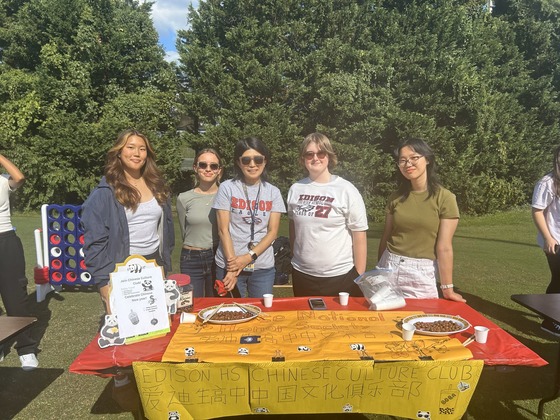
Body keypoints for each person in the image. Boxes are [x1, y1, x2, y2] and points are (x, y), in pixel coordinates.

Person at [81, 129, 174, 410]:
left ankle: (152, 384)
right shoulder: (105, 192)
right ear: (119, 152)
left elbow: (164, 229)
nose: (136, 153)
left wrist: (164, 265)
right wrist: (104, 284)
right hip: (121, 268)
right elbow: (95, 242)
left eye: (142, 149)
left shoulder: (156, 184)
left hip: (153, 265)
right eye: (130, 147)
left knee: (155, 327)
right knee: (126, 330)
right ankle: (124, 385)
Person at [377, 138, 465, 302]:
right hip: (388, 266)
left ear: (428, 159)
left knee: (421, 322)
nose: (408, 164)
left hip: (420, 273)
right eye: (402, 160)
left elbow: (444, 247)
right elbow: (386, 236)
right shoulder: (395, 197)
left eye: (414, 157)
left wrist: (447, 288)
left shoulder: (445, 198)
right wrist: (378, 271)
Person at [287, 133, 368, 297]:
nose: (315, 158)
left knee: (340, 323)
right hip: (302, 275)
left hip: (340, 276)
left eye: (321, 153)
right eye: (309, 154)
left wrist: (358, 275)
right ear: (303, 159)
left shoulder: (346, 189)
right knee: (305, 322)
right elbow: (293, 226)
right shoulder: (296, 189)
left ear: (329, 157)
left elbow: (359, 235)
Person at [213, 137, 286, 298]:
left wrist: (247, 258)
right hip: (229, 264)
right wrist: (232, 267)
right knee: (229, 314)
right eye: (246, 160)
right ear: (239, 163)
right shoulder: (227, 188)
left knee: (262, 317)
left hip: (262, 268)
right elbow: (223, 230)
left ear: (265, 161)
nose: (252, 164)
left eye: (258, 159)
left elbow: (272, 232)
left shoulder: (273, 192)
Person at [0, 154, 39, 370]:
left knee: (15, 298)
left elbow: (20, 177)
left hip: (5, 241)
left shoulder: (4, 180)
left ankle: (26, 349)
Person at [176, 148, 223, 297]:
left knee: (215, 304)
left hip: (217, 256)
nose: (208, 169)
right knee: (190, 304)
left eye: (213, 166)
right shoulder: (184, 198)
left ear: (219, 170)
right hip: (191, 258)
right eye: (203, 165)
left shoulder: (227, 196)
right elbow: (184, 231)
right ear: (195, 168)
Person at [532, 145, 560, 336]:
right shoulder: (547, 183)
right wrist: (548, 237)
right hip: (555, 240)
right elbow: (537, 211)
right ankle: (550, 321)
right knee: (559, 280)